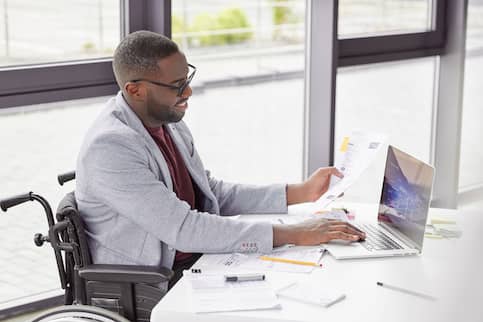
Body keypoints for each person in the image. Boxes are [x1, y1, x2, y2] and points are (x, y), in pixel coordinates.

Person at [75, 30, 365, 289]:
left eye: (187, 79)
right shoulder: (110, 147)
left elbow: (210, 194)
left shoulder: (168, 120)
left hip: (200, 259)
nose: (187, 92)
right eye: (177, 86)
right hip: (154, 280)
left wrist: (300, 192)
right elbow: (184, 229)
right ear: (135, 90)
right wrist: (294, 233)